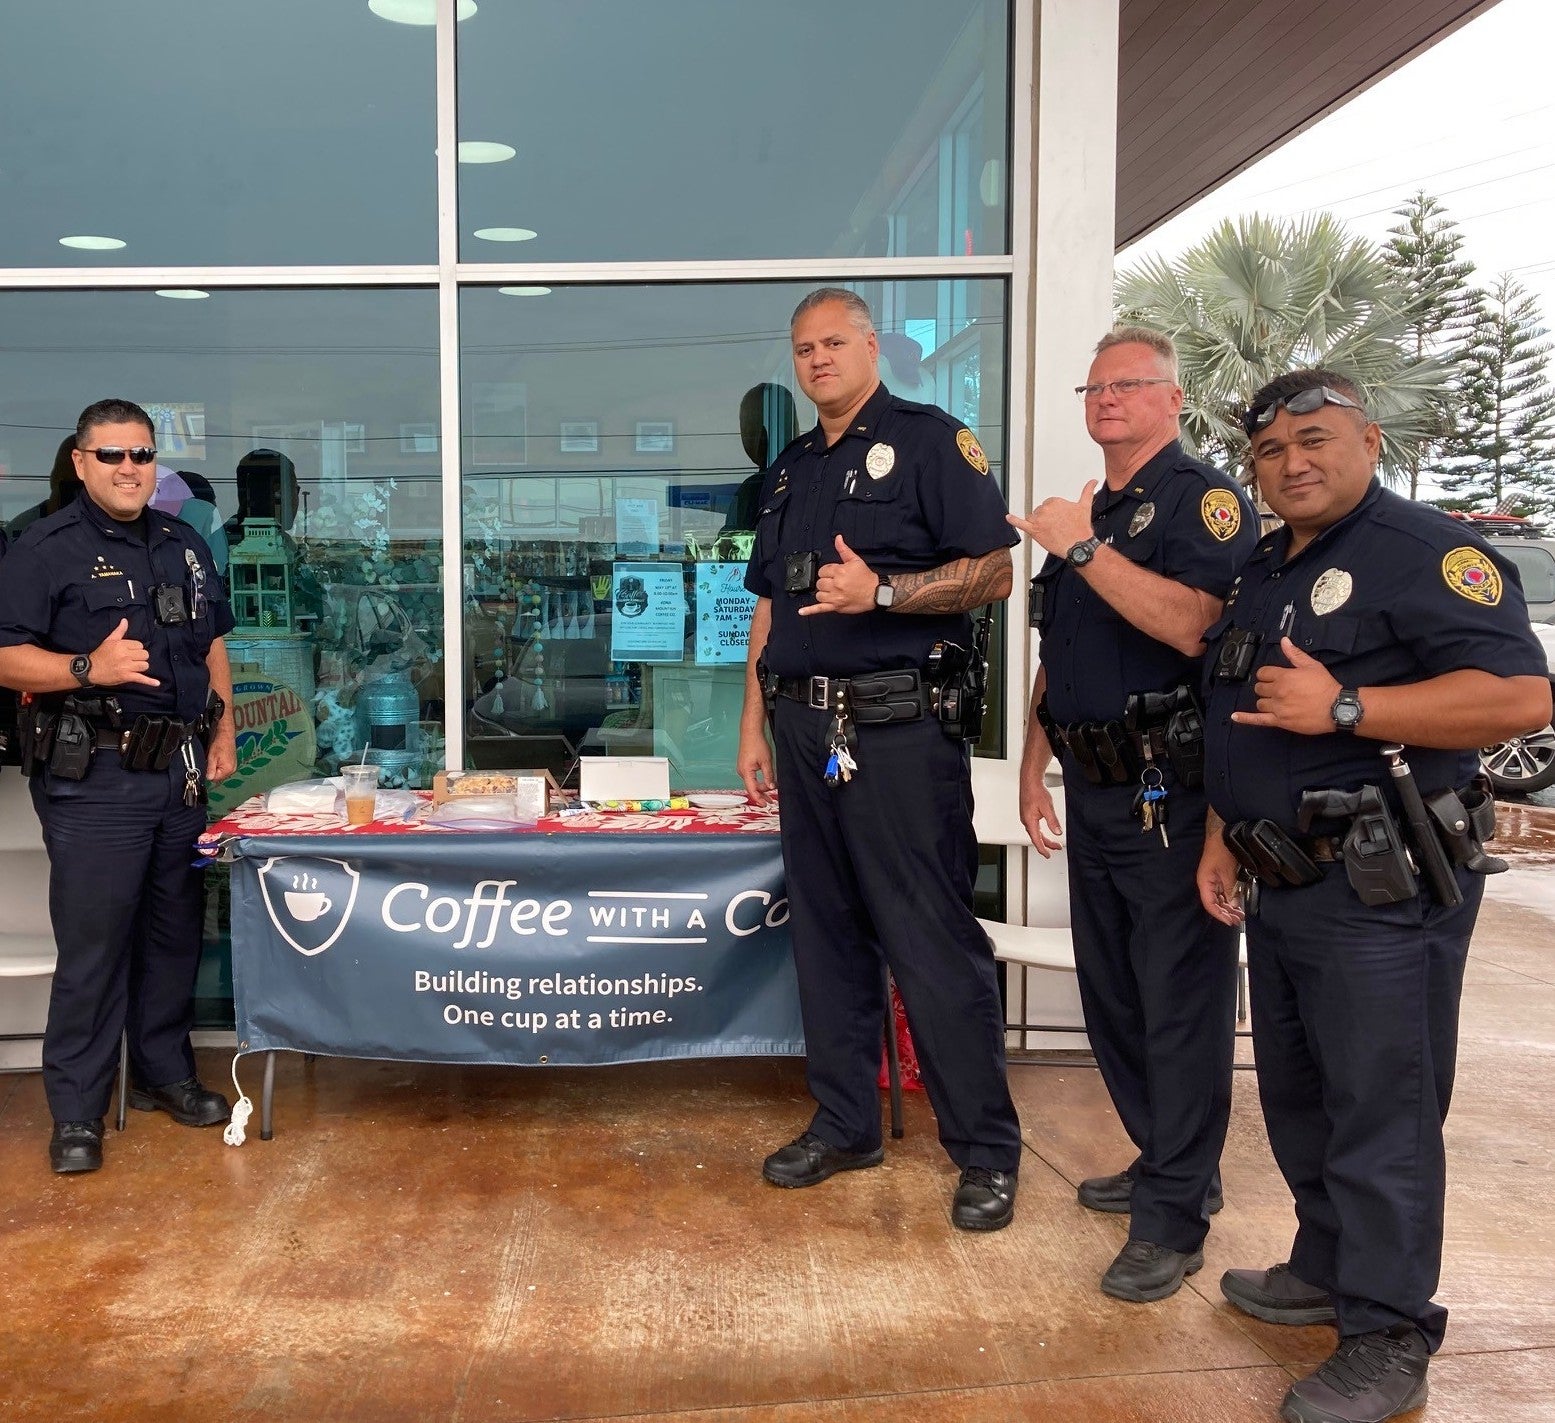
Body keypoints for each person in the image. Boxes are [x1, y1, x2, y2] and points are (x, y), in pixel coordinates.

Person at [1196, 370, 1550, 1423]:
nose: (1292, 463)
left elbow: (1521, 696)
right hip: (1283, 874)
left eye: (1315, 440)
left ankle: (1389, 1329)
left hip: (1381, 886)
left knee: (1381, 1111)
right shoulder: (1267, 566)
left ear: (1368, 440)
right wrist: (1220, 835)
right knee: (1301, 1094)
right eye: (1270, 452)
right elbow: (1244, 715)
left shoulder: (1427, 555)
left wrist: (1350, 702)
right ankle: (1325, 1262)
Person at [737, 287, 1023, 1231]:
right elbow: (769, 611)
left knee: (930, 941)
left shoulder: (932, 442)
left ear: (869, 346)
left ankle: (985, 1150)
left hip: (899, 734)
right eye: (803, 348)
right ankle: (847, 1121)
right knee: (825, 938)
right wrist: (752, 725)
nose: (817, 359)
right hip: (803, 732)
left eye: (833, 342)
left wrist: (886, 593)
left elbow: (992, 567)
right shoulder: (786, 473)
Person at [1007, 326, 1256, 1302]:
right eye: (1095, 385)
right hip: (1095, 785)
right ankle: (1169, 1161)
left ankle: (1176, 1218)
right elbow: (1056, 657)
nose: (1107, 398)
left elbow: (1196, 624)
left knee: (1179, 1005)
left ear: (1171, 400)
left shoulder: (1202, 503)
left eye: (1129, 384)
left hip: (1174, 794)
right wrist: (1035, 764)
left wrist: (1080, 544)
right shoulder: (1094, 508)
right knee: (1113, 996)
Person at [0, 398, 239, 1175]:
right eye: (112, 456)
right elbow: (4, 655)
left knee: (173, 936)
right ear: (80, 462)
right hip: (96, 775)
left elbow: (211, 643)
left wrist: (226, 730)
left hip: (178, 772)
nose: (129, 469)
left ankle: (166, 1075)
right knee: (96, 948)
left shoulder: (183, 544)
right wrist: (85, 668)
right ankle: (76, 1110)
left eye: (141, 455)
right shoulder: (45, 548)